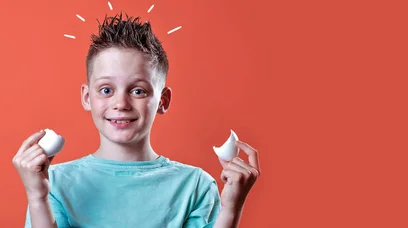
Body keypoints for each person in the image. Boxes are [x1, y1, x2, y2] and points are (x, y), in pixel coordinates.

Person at [12, 12, 260, 228]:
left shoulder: (194, 185)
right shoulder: (53, 183)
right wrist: (37, 196)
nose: (120, 103)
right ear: (87, 97)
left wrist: (231, 208)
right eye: (106, 90)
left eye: (138, 90)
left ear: (163, 100)